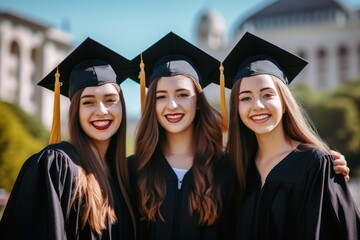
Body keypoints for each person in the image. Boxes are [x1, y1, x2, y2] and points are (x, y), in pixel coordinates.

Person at [223, 32, 359, 239]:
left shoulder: (316, 165)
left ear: (284, 103)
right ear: (237, 109)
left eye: (267, 95)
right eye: (245, 98)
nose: (257, 106)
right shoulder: (237, 168)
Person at [0, 38, 138, 239]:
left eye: (110, 100)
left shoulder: (122, 179)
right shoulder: (56, 165)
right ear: (76, 111)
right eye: (88, 102)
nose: (101, 110)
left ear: (122, 107)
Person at [127, 32, 237, 240]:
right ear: (153, 105)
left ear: (198, 103)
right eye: (161, 97)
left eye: (183, 95)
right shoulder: (134, 170)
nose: (172, 105)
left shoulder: (225, 170)